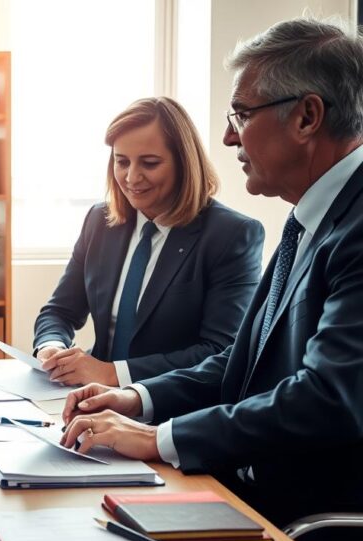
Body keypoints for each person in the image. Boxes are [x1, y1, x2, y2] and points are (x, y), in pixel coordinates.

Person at [59, 18, 363, 541]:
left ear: (307, 116)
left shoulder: (354, 227)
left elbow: (329, 398)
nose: (228, 138)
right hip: (248, 489)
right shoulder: (310, 219)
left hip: (307, 523)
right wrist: (137, 399)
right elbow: (239, 361)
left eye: (241, 116)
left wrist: (160, 438)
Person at [33, 97, 264, 386]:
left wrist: (112, 374)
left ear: (184, 163)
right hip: (91, 399)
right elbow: (60, 311)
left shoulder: (231, 235)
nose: (131, 177)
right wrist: (52, 346)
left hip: (169, 409)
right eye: (122, 162)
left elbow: (220, 351)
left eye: (150, 163)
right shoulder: (100, 221)